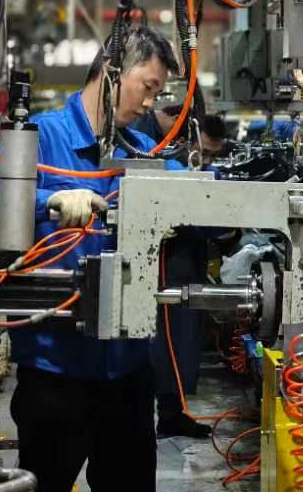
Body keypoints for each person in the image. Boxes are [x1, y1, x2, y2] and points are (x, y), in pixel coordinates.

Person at [0, 27, 182, 492]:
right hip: (55, 374)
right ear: (113, 73)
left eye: (158, 93)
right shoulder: (43, 137)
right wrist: (46, 201)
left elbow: (197, 191)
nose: (150, 103)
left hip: (129, 375)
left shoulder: (140, 149)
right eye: (148, 86)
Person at [132, 107, 227, 438]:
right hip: (167, 264)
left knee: (183, 343)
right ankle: (155, 415)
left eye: (213, 155)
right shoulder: (162, 162)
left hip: (188, 262)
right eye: (205, 151)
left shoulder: (204, 171)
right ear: (188, 139)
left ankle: (173, 413)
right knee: (165, 343)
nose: (207, 159)